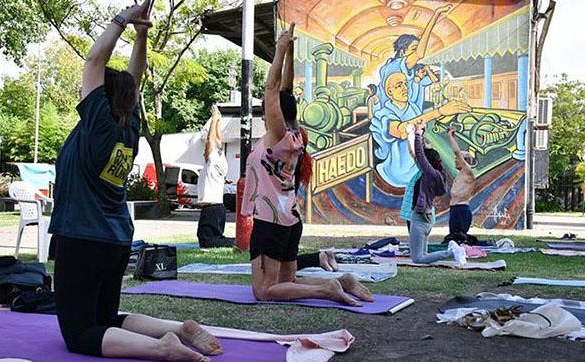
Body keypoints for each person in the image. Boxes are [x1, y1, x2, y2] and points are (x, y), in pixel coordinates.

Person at [49, 2, 221, 361]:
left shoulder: (97, 122)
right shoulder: (128, 125)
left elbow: (95, 61)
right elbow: (135, 76)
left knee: (79, 333)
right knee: (106, 318)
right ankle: (177, 330)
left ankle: (162, 348)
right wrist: (141, 34)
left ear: (100, 97)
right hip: (114, 238)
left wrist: (122, 19)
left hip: (83, 237)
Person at [242, 24, 372, 305]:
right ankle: (342, 282)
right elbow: (285, 88)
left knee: (264, 291)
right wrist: (289, 51)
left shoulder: (276, 136)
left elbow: (273, 87)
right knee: (286, 282)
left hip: (271, 219)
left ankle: (327, 290)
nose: (265, 110)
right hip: (290, 217)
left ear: (274, 111)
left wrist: (279, 49)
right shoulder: (295, 134)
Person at [371, 71, 471, 187]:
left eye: (405, 84)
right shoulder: (383, 114)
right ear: (389, 92)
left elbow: (422, 125)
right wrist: (439, 112)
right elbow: (401, 131)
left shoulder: (413, 107)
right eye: (398, 86)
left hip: (420, 163)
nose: (404, 88)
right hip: (400, 171)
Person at [409, 121, 466, 265]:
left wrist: (417, 134)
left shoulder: (430, 174)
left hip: (420, 218)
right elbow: (422, 154)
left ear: (428, 163)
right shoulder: (439, 174)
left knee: (417, 259)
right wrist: (422, 133)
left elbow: (420, 155)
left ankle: (452, 252)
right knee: (424, 255)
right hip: (427, 216)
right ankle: (452, 251)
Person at [377, 4, 451, 105]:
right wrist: (436, 14)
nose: (416, 53)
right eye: (414, 49)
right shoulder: (394, 66)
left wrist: (428, 70)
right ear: (403, 52)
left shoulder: (412, 70)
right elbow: (419, 54)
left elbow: (433, 80)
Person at [196, 104, 234, 248]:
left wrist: (213, 118)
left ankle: (238, 243)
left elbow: (211, 140)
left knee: (206, 241)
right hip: (219, 208)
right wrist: (218, 121)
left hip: (211, 207)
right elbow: (218, 139)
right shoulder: (221, 159)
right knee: (215, 237)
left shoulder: (211, 161)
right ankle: (236, 242)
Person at [447, 127, 476, 234]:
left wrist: (450, 136)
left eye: (457, 159)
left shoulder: (468, 172)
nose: (455, 160)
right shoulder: (461, 174)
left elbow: (456, 151)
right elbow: (457, 152)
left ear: (464, 161)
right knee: (453, 239)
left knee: (460, 239)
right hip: (454, 209)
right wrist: (454, 138)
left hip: (462, 210)